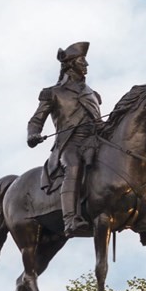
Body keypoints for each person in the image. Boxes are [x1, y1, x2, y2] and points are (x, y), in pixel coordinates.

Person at [27, 41, 102, 238]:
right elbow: (36, 120)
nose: (86, 65)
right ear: (70, 64)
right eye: (82, 61)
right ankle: (70, 219)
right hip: (69, 144)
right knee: (74, 165)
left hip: (94, 141)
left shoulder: (93, 94)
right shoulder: (53, 93)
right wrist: (33, 135)